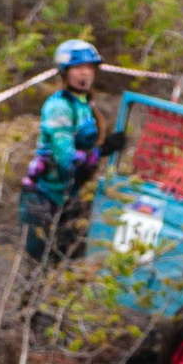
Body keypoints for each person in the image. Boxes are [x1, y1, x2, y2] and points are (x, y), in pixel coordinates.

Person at [20, 38, 125, 262]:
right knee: (39, 262)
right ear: (65, 72)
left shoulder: (84, 103)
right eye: (78, 68)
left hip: (68, 195)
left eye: (89, 67)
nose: (85, 73)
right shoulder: (60, 106)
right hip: (42, 196)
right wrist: (101, 151)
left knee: (66, 258)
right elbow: (65, 159)